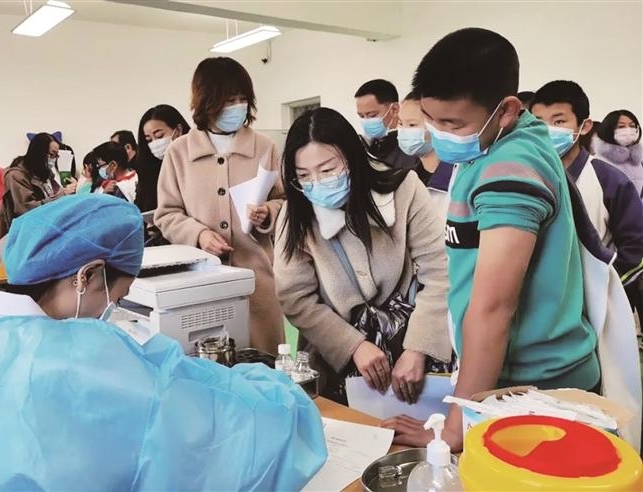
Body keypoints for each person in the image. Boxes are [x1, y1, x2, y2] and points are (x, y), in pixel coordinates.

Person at [0, 194, 327, 491]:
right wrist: (283, 395)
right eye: (118, 296)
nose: (112, 310)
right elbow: (208, 433)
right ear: (88, 275)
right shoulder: (84, 365)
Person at [385, 28, 599, 451]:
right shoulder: (496, 141)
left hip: (537, 393)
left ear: (506, 111)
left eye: (452, 123)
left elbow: (493, 309)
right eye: (430, 118)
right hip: (512, 381)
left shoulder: (510, 169)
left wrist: (455, 429)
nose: (437, 132)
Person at [274, 108, 452, 404]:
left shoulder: (404, 188)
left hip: (410, 347)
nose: (317, 183)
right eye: (304, 176)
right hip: (337, 366)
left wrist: (419, 347)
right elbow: (296, 299)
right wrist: (352, 345)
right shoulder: (295, 215)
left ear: (352, 156)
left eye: (327, 170)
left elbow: (439, 272)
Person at [155, 56, 286, 354]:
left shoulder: (265, 147)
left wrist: (268, 213)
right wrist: (199, 234)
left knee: (262, 363)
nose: (238, 107)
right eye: (229, 100)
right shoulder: (179, 152)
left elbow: (284, 200)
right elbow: (167, 213)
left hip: (257, 282)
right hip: (201, 283)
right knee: (211, 364)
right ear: (207, 102)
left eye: (243, 99)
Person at [530, 80, 643, 295]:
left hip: (594, 300)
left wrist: (604, 287)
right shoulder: (524, 175)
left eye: (559, 121)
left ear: (585, 126)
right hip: (538, 299)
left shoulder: (608, 179)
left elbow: (635, 247)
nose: (546, 131)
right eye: (539, 122)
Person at [0, 133, 76, 238]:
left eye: (57, 155)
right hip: (24, 235)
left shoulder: (44, 173)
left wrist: (69, 192)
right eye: (52, 154)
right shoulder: (16, 176)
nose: (54, 158)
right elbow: (26, 210)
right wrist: (62, 195)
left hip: (43, 231)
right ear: (39, 153)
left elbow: (52, 198)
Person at [398, 90, 456, 215]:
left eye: (412, 124)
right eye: (401, 123)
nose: (403, 131)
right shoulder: (407, 178)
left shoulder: (456, 178)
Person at [136, 104, 191, 212]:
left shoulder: (197, 162)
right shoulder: (149, 172)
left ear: (178, 130)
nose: (155, 143)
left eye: (159, 136)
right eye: (149, 140)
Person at [355, 79, 419, 171]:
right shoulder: (371, 146)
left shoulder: (412, 144)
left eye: (372, 115)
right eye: (361, 116)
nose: (366, 121)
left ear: (394, 109)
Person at [594, 110, 643, 198]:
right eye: (621, 126)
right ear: (609, 129)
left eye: (632, 126)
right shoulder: (599, 162)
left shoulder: (639, 161)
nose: (628, 130)